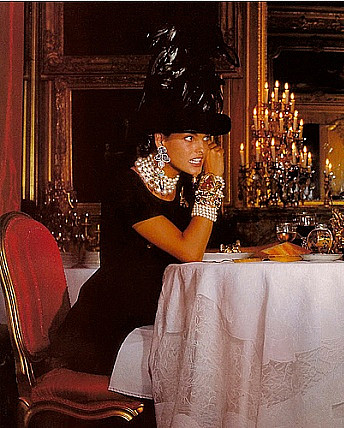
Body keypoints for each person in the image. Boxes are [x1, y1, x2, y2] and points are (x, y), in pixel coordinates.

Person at [47, 23, 239, 376]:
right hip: (110, 330)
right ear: (161, 140)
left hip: (155, 317)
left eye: (205, 138)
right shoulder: (127, 185)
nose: (201, 149)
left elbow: (206, 247)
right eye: (189, 138)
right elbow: (189, 251)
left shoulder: (185, 186)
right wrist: (214, 181)